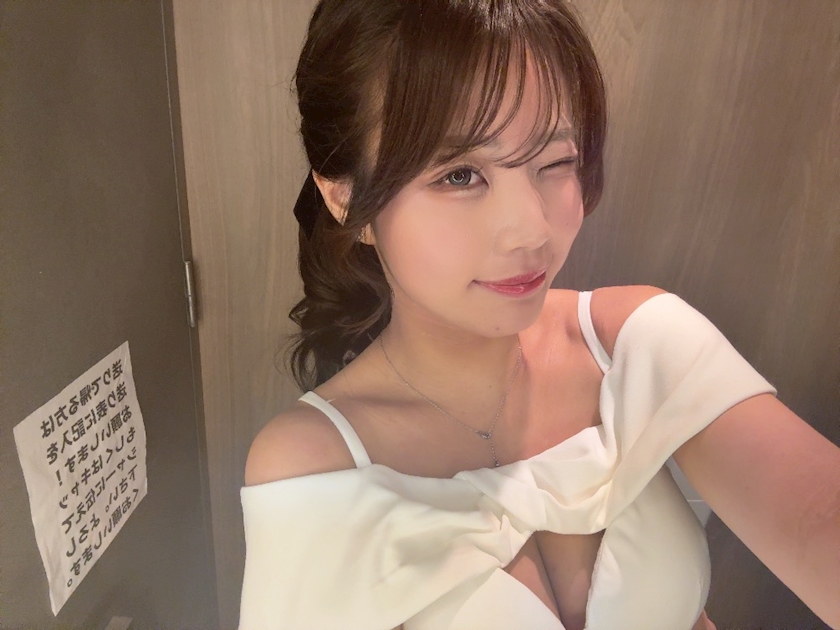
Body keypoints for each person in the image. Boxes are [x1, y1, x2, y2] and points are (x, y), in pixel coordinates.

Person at [238, 1, 840, 629]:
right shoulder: (314, 465)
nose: (532, 229)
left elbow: (819, 514)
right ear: (345, 197)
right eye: (460, 175)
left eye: (554, 163)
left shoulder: (635, 345)